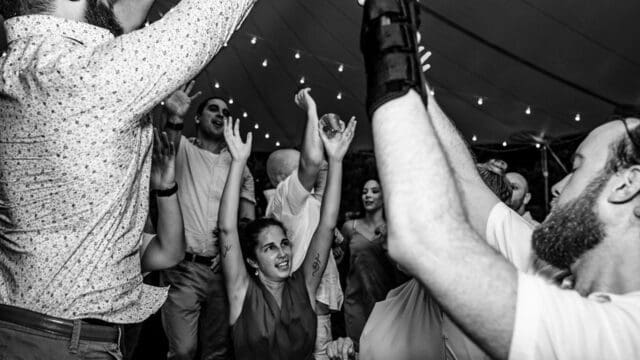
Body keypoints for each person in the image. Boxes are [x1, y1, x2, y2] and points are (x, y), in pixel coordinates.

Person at [359, 1, 640, 358]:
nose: (556, 185)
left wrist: (390, 46)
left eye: (578, 166)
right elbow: (468, 182)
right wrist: (418, 90)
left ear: (626, 185)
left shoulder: (623, 336)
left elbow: (422, 237)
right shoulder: (547, 268)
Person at [0, 0, 257, 358]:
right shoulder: (78, 72)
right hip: (61, 344)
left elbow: (117, 21)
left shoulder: (25, 66)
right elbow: (206, 19)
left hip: (35, 331)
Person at [218, 117, 356, 360]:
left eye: (284, 244)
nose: (282, 253)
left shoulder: (305, 285)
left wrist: (335, 160)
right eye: (269, 248)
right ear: (252, 261)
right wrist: (238, 163)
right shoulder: (242, 291)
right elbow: (227, 230)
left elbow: (326, 226)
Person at [160, 85, 256, 360]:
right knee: (183, 351)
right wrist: (175, 118)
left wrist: (231, 249)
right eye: (213, 109)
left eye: (226, 112)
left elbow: (248, 219)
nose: (220, 114)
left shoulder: (240, 165)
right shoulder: (183, 149)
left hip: (222, 272)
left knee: (217, 352)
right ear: (198, 118)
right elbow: (166, 147)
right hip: (183, 269)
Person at [264, 88, 344, 359]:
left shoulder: (305, 202)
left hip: (314, 307)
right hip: (301, 309)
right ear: (281, 177)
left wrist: (330, 141)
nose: (306, 168)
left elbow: (320, 171)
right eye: (296, 167)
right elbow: (311, 164)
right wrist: (311, 110)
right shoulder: (286, 196)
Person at [341, 178, 405, 343]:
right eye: (364, 192)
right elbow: (341, 262)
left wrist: (386, 243)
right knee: (358, 350)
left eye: (374, 191)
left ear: (385, 197)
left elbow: (403, 269)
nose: (368, 195)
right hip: (356, 301)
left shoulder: (394, 228)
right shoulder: (350, 227)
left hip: (387, 303)